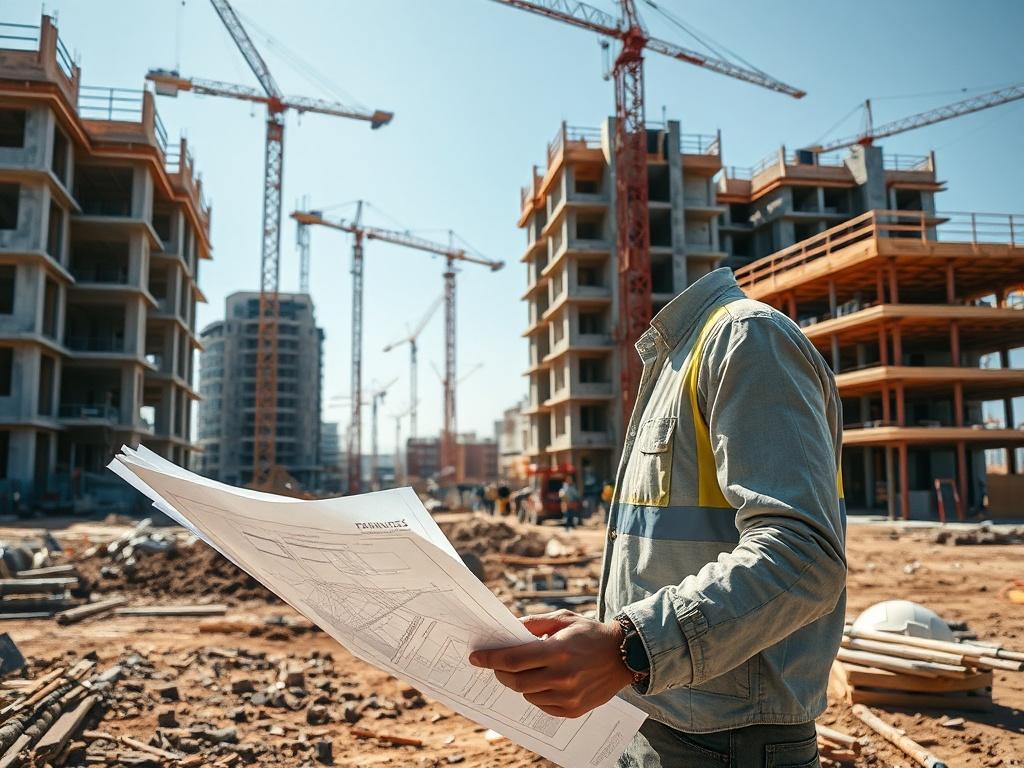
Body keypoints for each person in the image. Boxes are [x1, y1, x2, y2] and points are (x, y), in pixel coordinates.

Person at [470, 268, 846, 767]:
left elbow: (805, 556)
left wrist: (629, 646)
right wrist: (609, 635)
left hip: (728, 741)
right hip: (656, 714)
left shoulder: (745, 338)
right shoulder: (674, 362)